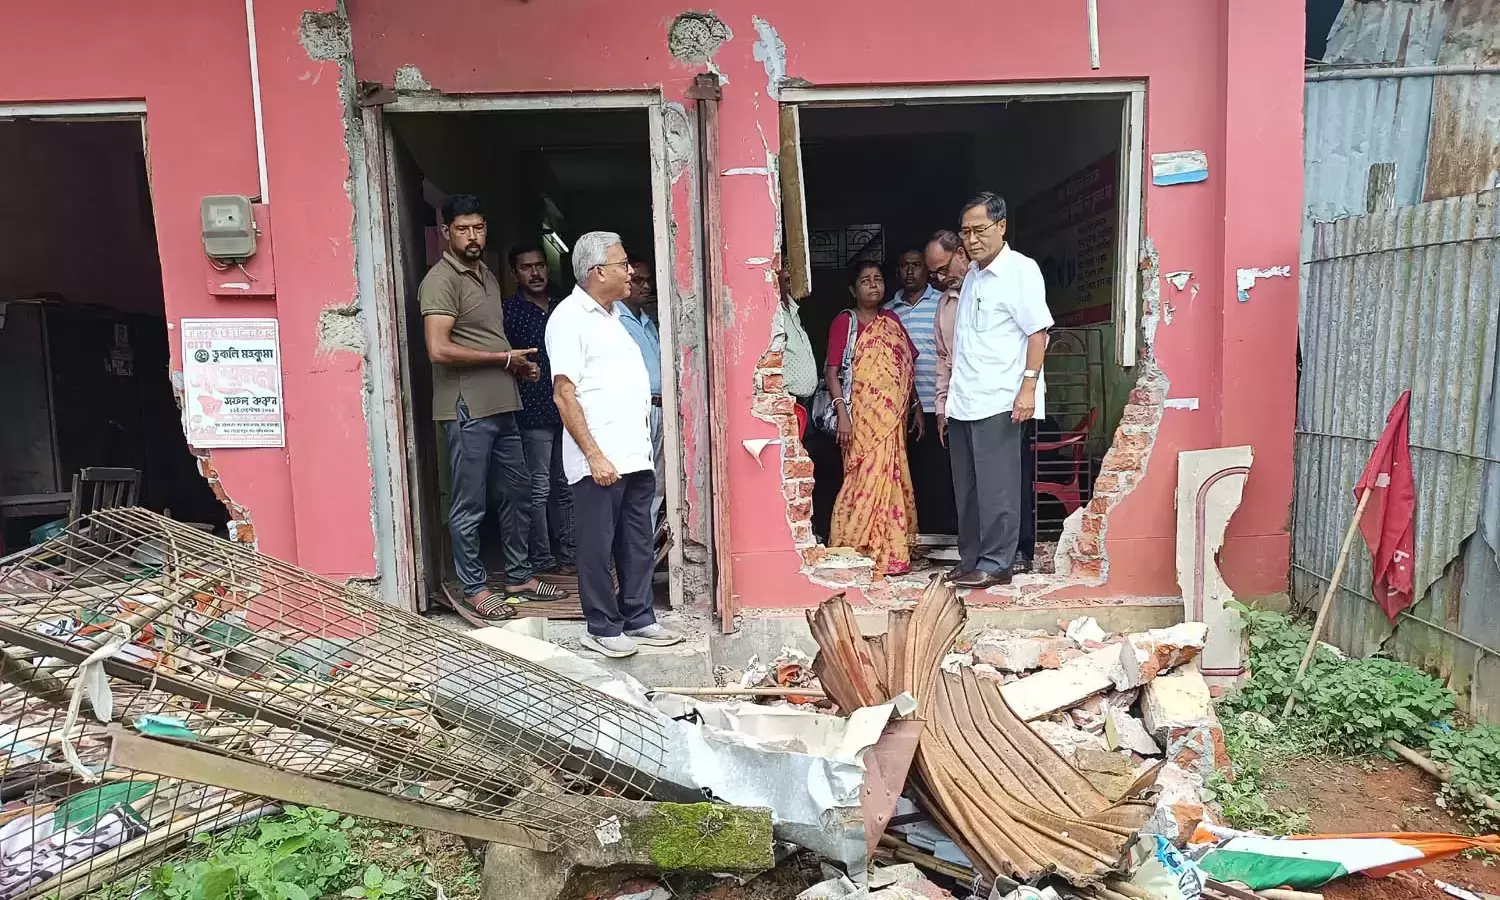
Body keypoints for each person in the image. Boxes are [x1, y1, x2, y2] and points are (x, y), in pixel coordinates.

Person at [419, 194, 568, 622]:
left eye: (479, 228)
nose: (472, 236)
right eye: (463, 229)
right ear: (446, 232)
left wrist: (517, 367)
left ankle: (519, 577)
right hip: (467, 408)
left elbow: (484, 338)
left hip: (504, 404)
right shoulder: (440, 280)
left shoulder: (485, 274)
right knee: (470, 504)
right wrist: (504, 359)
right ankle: (474, 588)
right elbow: (438, 348)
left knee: (518, 493)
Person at [548, 232, 682, 658]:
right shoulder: (569, 318)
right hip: (599, 459)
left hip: (634, 454)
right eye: (622, 265)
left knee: (636, 540)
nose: (630, 273)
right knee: (597, 544)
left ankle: (639, 617)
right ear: (597, 272)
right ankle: (601, 627)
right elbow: (564, 394)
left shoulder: (614, 317)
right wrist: (593, 455)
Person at [946, 192, 1052, 589]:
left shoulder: (1020, 270)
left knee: (998, 489)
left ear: (1002, 226)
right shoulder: (973, 275)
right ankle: (971, 558)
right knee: (968, 490)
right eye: (966, 232)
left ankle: (997, 563)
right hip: (965, 399)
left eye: (979, 230)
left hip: (1000, 399)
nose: (972, 239)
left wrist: (1028, 388)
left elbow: (1038, 333)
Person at [825, 259, 921, 577]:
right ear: (853, 290)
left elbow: (906, 367)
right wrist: (843, 414)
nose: (873, 285)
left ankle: (892, 552)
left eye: (878, 279)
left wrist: (916, 406)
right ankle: (854, 545)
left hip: (892, 421)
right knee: (862, 479)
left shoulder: (891, 321)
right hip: (860, 421)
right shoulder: (846, 322)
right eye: (865, 280)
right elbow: (832, 372)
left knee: (891, 478)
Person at [502, 243, 575, 578]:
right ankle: (543, 559)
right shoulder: (508, 311)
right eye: (526, 267)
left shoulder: (564, 306)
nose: (535, 273)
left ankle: (570, 555)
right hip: (532, 413)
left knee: (567, 485)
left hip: (568, 408)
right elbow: (501, 356)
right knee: (539, 488)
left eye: (540, 265)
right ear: (514, 273)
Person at [885, 246, 956, 536]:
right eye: (905, 265)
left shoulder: (944, 302)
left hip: (938, 403)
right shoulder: (889, 311)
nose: (910, 271)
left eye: (916, 265)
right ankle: (914, 533)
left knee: (940, 472)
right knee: (907, 473)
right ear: (898, 271)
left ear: (927, 270)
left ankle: (942, 533)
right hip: (902, 409)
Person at [618, 259, 665, 529]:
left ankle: (645, 544)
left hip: (660, 407)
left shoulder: (648, 320)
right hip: (636, 408)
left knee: (657, 483)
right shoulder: (614, 319)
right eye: (638, 280)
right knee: (636, 481)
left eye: (648, 281)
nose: (645, 286)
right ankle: (631, 545)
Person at [771, 256, 820, 430]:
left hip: (801, 405)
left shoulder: (792, 310)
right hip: (785, 403)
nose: (790, 273)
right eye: (784, 266)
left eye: (792, 266)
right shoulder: (772, 311)